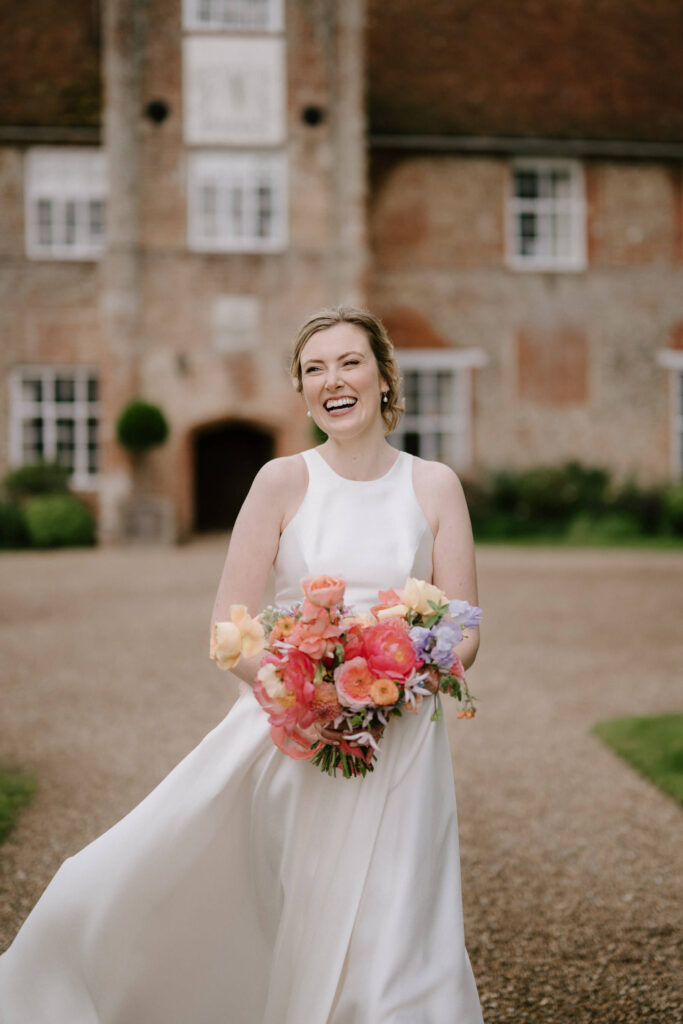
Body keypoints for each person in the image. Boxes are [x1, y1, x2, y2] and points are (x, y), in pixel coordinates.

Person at [0, 306, 483, 1023]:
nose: (332, 381)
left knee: (403, 924)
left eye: (348, 362)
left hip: (403, 739)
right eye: (313, 369)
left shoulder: (434, 484)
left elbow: (463, 625)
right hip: (295, 741)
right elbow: (229, 626)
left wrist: (394, 684)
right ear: (302, 389)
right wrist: (309, 697)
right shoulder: (281, 482)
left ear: (384, 377)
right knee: (273, 899)